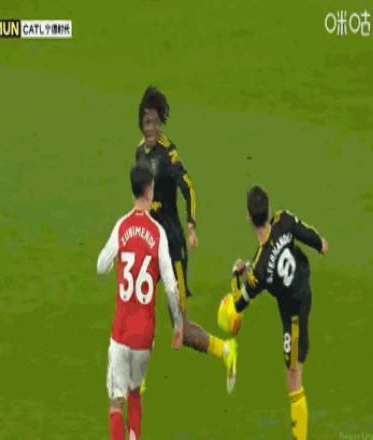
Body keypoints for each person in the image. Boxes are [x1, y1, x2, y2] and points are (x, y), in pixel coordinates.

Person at [135, 86, 237, 391]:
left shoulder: (168, 152)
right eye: (146, 122)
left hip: (172, 247)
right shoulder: (139, 152)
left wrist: (191, 225)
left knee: (180, 323)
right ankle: (138, 378)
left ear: (161, 122)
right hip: (150, 243)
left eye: (155, 122)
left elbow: (188, 187)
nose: (151, 128)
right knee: (140, 305)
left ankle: (225, 350)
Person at [230, 185, 329, 440]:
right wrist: (320, 243)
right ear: (269, 210)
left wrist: (235, 275)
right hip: (303, 284)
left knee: (293, 378)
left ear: (249, 217)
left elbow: (239, 303)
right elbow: (303, 232)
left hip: (294, 314)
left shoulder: (259, 270)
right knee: (293, 373)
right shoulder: (282, 220)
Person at [97, 163, 184, 440]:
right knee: (135, 391)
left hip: (121, 331)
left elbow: (101, 265)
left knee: (115, 401)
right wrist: (178, 324)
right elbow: (170, 286)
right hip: (145, 335)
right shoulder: (157, 233)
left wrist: (117, 260)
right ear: (150, 191)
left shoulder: (121, 226)